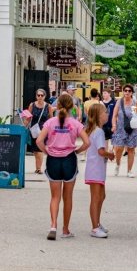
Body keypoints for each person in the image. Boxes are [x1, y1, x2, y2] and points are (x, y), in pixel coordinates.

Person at [41, 93, 88, 241]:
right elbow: (87, 142)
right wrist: (77, 151)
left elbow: (38, 141)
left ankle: (53, 225)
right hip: (69, 160)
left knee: (55, 196)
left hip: (53, 159)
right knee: (68, 197)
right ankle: (65, 229)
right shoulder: (75, 124)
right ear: (72, 107)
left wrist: (46, 151)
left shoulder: (50, 122)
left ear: (58, 105)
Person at [84, 101, 112, 238]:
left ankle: (97, 222)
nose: (107, 114)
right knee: (96, 197)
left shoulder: (93, 130)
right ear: (99, 115)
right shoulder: (99, 131)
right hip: (96, 169)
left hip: (96, 168)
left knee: (101, 196)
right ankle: (94, 227)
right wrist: (110, 154)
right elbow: (101, 151)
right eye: (105, 112)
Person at [111, 85, 137, 177]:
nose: (127, 92)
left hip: (132, 128)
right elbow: (114, 115)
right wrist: (114, 125)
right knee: (119, 149)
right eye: (125, 90)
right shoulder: (119, 102)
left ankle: (129, 171)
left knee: (131, 149)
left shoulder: (135, 102)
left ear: (132, 92)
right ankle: (117, 164)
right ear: (123, 92)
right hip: (120, 128)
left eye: (129, 91)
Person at [21, 88, 50, 175]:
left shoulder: (48, 106)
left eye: (42, 95)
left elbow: (50, 119)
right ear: (36, 96)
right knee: (35, 150)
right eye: (38, 95)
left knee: (40, 149)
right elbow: (29, 117)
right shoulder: (32, 105)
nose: (40, 97)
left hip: (43, 130)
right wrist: (24, 126)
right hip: (34, 129)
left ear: (45, 96)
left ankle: (39, 168)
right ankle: (37, 167)